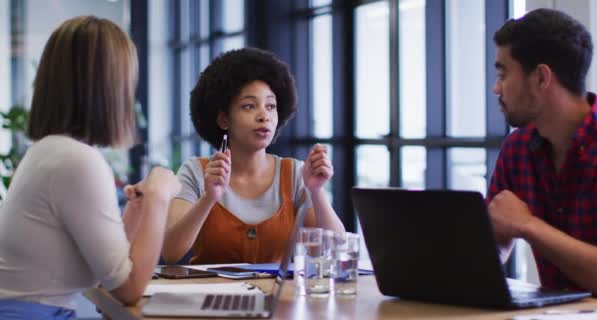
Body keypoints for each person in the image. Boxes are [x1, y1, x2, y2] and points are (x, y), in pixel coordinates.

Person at [0, 16, 181, 319]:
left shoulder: (48, 151)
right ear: (109, 87)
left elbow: (106, 272)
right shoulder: (77, 161)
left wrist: (136, 213)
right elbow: (129, 288)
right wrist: (159, 199)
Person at [162, 47, 345, 265]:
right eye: (249, 106)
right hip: (213, 296)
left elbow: (336, 247)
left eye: (271, 106)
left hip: (280, 297)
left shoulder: (295, 173)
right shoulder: (196, 171)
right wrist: (209, 198)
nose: (264, 116)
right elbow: (171, 252)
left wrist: (316, 191)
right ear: (223, 120)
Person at [487, 8, 597, 296]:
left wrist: (529, 226)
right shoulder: (517, 150)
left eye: (503, 74)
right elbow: (495, 242)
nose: (496, 88)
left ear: (541, 78)